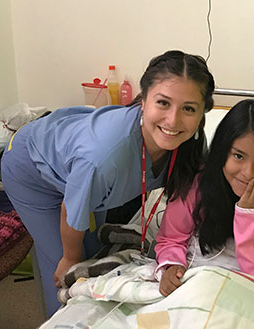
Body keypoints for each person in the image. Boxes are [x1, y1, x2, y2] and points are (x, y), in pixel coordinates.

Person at [1, 50, 215, 316]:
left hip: (77, 168)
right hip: (31, 170)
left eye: (188, 109)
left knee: (95, 254)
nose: (173, 120)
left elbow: (202, 195)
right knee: (68, 268)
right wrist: (69, 256)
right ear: (144, 99)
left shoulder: (191, 145)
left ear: (203, 111)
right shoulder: (106, 156)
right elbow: (73, 208)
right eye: (163, 103)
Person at [155, 98, 254, 297]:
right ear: (222, 153)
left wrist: (248, 214)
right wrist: (172, 265)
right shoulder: (196, 183)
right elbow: (171, 238)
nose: (248, 173)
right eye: (238, 156)